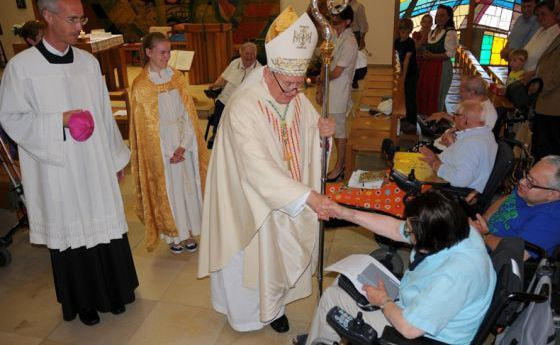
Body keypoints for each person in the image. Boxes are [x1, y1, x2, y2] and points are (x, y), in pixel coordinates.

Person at [197, 6, 336, 334]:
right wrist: (307, 197)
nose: (294, 92)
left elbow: (310, 137)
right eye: (288, 85)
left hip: (288, 197)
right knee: (253, 259)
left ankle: (276, 306)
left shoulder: (295, 95)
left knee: (280, 257)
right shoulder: (243, 107)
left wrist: (323, 134)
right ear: (270, 72)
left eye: (299, 85)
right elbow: (255, 168)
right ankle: (249, 314)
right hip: (251, 202)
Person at [0, 0, 138, 326]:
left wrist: (115, 158)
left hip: (93, 162)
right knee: (72, 230)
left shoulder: (89, 63)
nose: (80, 26)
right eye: (73, 19)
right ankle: (84, 302)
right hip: (57, 168)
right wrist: (58, 120)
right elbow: (12, 119)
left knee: (104, 223)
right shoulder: (22, 68)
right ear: (47, 17)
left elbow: (104, 115)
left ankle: (117, 292)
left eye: (82, 18)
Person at [295, 190, 496, 345]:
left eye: (411, 231)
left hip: (424, 337)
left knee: (332, 298)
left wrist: (384, 302)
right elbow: (393, 228)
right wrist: (342, 212)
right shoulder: (456, 228)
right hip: (421, 302)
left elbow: (409, 329)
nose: (406, 231)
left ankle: (321, 337)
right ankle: (323, 334)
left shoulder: (456, 275)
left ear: (429, 239)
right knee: (344, 282)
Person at [129, 32, 209, 254]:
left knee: (187, 188)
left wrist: (183, 145)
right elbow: (144, 129)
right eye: (163, 52)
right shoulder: (141, 86)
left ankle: (189, 231)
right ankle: (173, 234)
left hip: (183, 143)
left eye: (169, 51)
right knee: (169, 191)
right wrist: (167, 152)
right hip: (160, 148)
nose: (167, 56)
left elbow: (188, 114)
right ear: (148, 52)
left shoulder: (176, 78)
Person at [471, 156, 560, 257]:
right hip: (480, 238)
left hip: (493, 258)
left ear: (552, 194)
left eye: (531, 182)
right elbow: (507, 199)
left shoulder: (552, 219)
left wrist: (484, 236)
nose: (521, 182)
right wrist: (484, 220)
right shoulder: (526, 192)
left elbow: (517, 254)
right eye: (527, 175)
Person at [316, 5, 358, 181]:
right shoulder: (334, 36)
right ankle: (335, 164)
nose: (334, 19)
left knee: (339, 132)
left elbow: (336, 72)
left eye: (338, 17)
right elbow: (325, 63)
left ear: (347, 21)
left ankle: (340, 167)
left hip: (339, 90)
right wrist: (320, 88)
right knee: (331, 129)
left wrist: (320, 81)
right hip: (329, 88)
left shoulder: (350, 42)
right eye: (333, 16)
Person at [420, 100, 498, 193]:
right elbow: (467, 158)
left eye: (455, 115)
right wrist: (452, 145)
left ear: (465, 120)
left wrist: (435, 163)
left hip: (453, 192)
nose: (453, 118)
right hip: (453, 177)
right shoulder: (486, 134)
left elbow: (461, 179)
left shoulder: (472, 144)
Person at [206, 42, 261, 148]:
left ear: (255, 55)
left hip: (244, 101)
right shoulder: (235, 63)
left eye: (252, 54)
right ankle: (216, 134)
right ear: (241, 54)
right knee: (219, 103)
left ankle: (236, 139)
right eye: (246, 54)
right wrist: (214, 85)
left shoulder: (259, 69)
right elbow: (223, 78)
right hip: (226, 98)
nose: (249, 57)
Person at [416, 5, 458, 116]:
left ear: (448, 17)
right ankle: (426, 119)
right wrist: (425, 53)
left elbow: (450, 54)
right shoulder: (434, 31)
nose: (439, 18)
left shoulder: (450, 33)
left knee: (437, 94)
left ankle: (436, 120)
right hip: (429, 67)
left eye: (442, 15)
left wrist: (432, 56)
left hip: (441, 67)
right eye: (437, 15)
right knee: (427, 91)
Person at [532, 0, 560, 159]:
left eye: (558, 13)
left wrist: (539, 86)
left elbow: (556, 74)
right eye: (556, 13)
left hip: (553, 104)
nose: (557, 18)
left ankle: (545, 183)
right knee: (542, 149)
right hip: (546, 101)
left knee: (549, 153)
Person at [426, 75, 498, 130]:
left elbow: (472, 137)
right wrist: (444, 115)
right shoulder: (472, 103)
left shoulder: (487, 113)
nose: (459, 93)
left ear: (471, 93)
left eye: (461, 91)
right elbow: (463, 123)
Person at [522, 0, 560, 82]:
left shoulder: (557, 32)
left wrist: (534, 73)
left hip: (539, 81)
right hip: (524, 76)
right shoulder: (540, 30)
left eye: (543, 14)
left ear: (553, 13)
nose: (539, 18)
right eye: (537, 15)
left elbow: (553, 63)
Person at [395, 18, 419, 134]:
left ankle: (412, 122)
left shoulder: (410, 42)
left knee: (410, 97)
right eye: (401, 31)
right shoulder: (396, 41)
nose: (402, 34)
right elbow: (395, 58)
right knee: (401, 97)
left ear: (410, 31)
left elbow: (406, 60)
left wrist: (404, 76)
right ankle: (403, 120)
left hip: (411, 73)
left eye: (405, 32)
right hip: (401, 73)